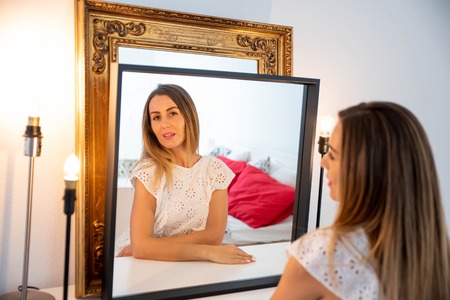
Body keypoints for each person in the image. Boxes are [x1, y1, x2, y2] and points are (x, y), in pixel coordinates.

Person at [271, 101, 450, 299]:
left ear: (367, 170)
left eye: (333, 155)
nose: (323, 162)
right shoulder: (437, 255)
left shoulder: (323, 254)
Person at [116, 84, 254, 264]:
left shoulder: (215, 170)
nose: (164, 124)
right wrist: (208, 252)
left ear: (188, 116)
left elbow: (214, 237)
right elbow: (141, 249)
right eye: (156, 117)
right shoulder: (148, 172)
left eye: (172, 113)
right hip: (136, 260)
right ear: (150, 127)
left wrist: (153, 246)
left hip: (183, 262)